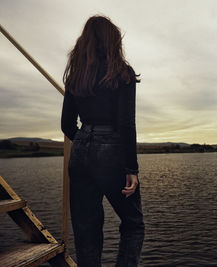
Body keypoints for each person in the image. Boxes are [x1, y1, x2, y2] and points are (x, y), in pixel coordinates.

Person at [61, 15, 144, 267]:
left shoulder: (76, 75)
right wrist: (131, 169)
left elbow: (66, 125)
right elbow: (126, 124)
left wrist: (86, 140)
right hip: (112, 151)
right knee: (132, 223)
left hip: (81, 149)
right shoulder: (122, 73)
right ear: (113, 41)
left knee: (86, 229)